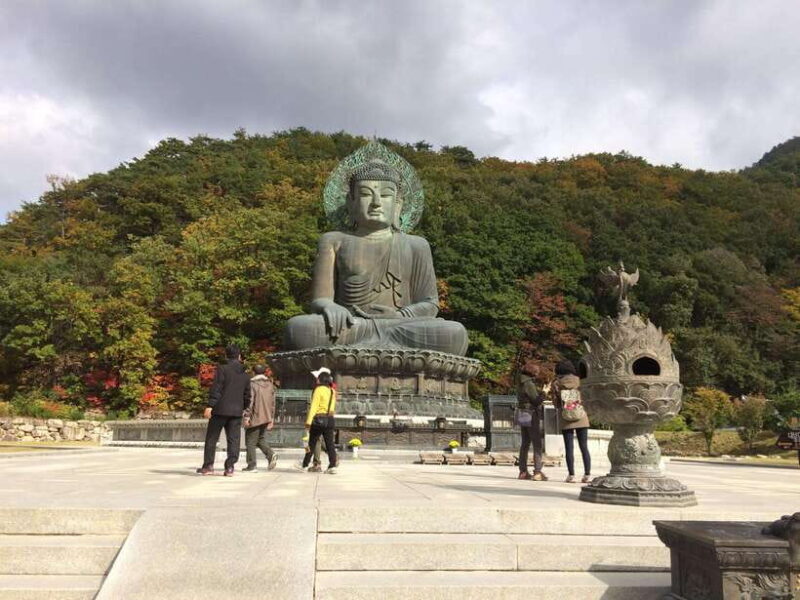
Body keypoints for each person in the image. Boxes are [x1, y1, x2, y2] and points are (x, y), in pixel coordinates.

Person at [284, 156, 468, 355]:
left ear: (398, 204)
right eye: (365, 194)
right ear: (351, 202)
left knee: (454, 333)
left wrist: (399, 316)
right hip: (351, 326)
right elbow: (321, 299)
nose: (376, 203)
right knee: (298, 328)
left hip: (401, 325)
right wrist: (330, 307)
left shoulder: (416, 245)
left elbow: (430, 303)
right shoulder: (334, 240)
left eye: (386, 195)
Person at [197, 344, 251, 476]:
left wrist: (210, 405)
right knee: (234, 439)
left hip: (220, 409)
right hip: (236, 411)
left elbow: (217, 388)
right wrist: (243, 407)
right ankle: (230, 466)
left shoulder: (222, 369)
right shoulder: (245, 375)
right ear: (239, 356)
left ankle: (208, 465)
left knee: (212, 438)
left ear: (226, 355)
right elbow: (247, 395)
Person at [552, 359, 591, 483]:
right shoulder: (580, 381)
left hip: (566, 418)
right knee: (584, 446)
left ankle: (571, 475)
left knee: (569, 448)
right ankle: (587, 475)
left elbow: (556, 403)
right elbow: (587, 397)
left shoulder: (557, 384)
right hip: (581, 416)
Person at [242, 364, 278, 473]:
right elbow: (273, 403)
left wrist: (247, 416)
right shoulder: (270, 384)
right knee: (259, 439)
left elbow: (250, 401)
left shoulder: (252, 384)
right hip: (266, 416)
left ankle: (252, 465)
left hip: (255, 416)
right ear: (264, 372)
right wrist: (271, 418)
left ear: (253, 372)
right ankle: (270, 454)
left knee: (250, 442)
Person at [516, 364, 547, 481]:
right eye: (536, 372)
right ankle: (538, 472)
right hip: (531, 413)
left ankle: (523, 471)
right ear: (533, 373)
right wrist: (544, 392)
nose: (537, 374)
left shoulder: (520, 382)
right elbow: (536, 401)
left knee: (525, 443)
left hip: (522, 412)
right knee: (537, 444)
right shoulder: (528, 384)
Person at [304, 371, 338, 474]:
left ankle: (305, 464)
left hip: (319, 419)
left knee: (311, 443)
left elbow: (314, 406)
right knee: (330, 444)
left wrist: (308, 422)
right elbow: (332, 407)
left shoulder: (318, 390)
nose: (317, 380)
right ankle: (332, 466)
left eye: (318, 378)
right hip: (330, 419)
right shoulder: (332, 391)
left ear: (321, 379)